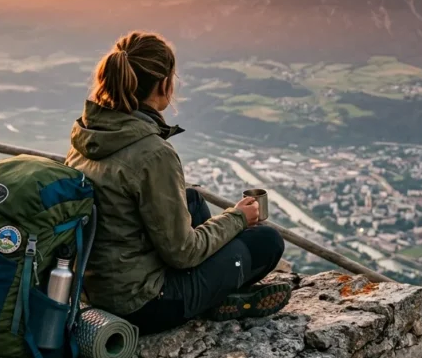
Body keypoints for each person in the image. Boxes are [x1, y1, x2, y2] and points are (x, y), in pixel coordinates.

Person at [65, 31, 291, 335]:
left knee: (192, 200)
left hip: (95, 289)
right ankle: (215, 298)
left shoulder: (90, 131)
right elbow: (183, 253)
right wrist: (237, 218)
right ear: (163, 84)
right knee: (267, 241)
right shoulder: (152, 153)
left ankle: (212, 291)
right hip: (143, 305)